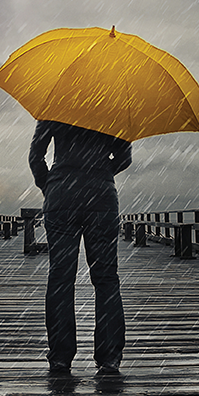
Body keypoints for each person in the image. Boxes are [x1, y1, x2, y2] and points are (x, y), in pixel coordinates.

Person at [28, 119, 132, 374]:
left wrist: (51, 183)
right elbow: (125, 157)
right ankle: (109, 357)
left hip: (62, 195)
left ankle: (61, 356)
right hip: (102, 197)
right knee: (106, 278)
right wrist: (100, 171)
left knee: (61, 277)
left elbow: (35, 157)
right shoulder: (113, 110)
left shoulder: (54, 106)